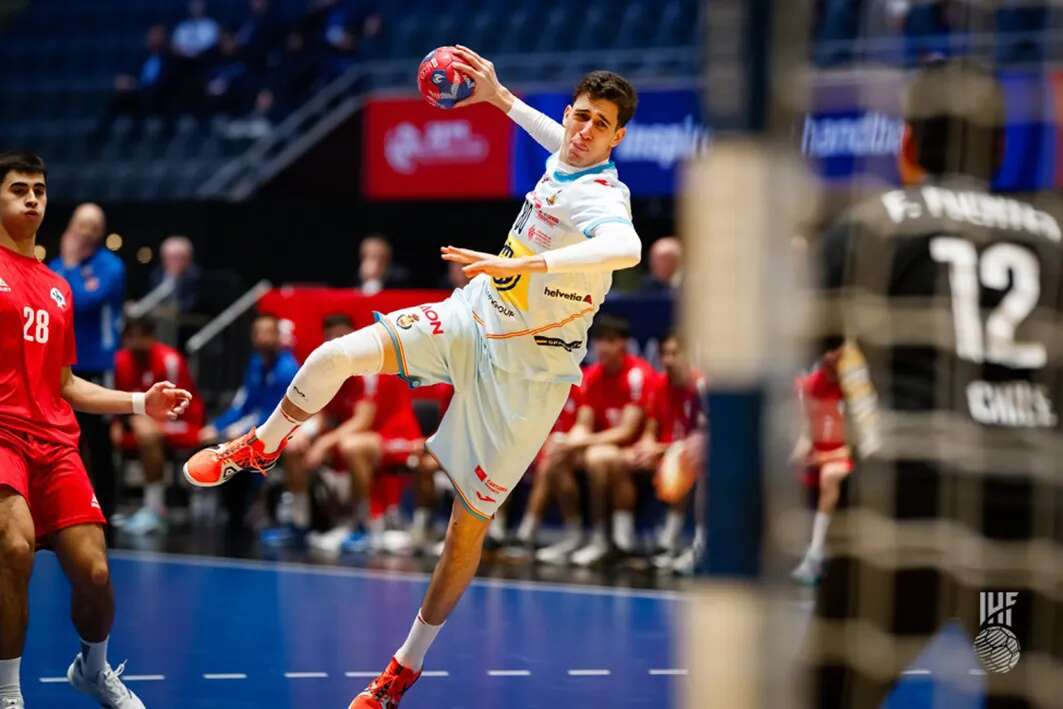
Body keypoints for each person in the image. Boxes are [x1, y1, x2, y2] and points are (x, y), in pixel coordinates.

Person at [184, 46, 641, 708]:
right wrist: (500, 96)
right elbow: (560, 144)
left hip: (528, 374)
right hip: (472, 317)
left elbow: (623, 247)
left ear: (618, 136)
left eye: (598, 123)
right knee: (336, 353)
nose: (579, 129)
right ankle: (263, 443)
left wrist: (524, 268)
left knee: (465, 528)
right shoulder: (568, 158)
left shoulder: (604, 197)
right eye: (577, 115)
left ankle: (403, 667)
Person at [806, 60, 1063, 708]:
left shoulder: (878, 221)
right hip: (1020, 513)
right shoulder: (1051, 236)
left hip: (906, 502)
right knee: (1012, 677)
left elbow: (812, 343)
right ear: (999, 148)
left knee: (834, 691)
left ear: (906, 143)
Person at [0, 151, 191, 709]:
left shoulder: (57, 288)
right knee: (12, 549)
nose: (33, 198)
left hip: (55, 443)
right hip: (3, 438)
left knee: (95, 571)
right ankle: (8, 692)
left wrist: (140, 402)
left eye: (39, 189)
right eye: (18, 189)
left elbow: (66, 384)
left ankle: (92, 668)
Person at [540, 315, 656, 567]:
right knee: (556, 456)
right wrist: (567, 441)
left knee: (597, 458)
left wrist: (580, 443)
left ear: (624, 344)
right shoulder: (591, 375)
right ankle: (575, 535)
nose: (603, 347)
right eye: (600, 340)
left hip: (630, 449)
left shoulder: (638, 374)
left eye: (610, 341)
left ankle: (605, 538)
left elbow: (626, 432)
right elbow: (584, 422)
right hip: (599, 445)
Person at [49, 203, 125, 521]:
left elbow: (77, 301)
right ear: (70, 227)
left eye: (94, 226)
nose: (87, 232)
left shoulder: (110, 266)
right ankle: (65, 507)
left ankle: (106, 509)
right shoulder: (56, 265)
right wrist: (66, 264)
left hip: (96, 362)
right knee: (64, 437)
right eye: (82, 225)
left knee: (98, 441)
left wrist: (69, 262)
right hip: (61, 362)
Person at [111, 317, 204, 536]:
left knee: (149, 434)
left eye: (142, 336)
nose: (137, 343)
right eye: (131, 337)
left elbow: (179, 402)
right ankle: (103, 505)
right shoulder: (119, 362)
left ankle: (155, 509)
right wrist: (119, 422)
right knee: (96, 434)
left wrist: (146, 421)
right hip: (136, 419)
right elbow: (116, 399)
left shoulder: (170, 360)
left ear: (151, 338)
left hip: (180, 421)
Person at [631, 331, 706, 567]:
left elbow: (704, 439)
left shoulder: (700, 387)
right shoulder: (658, 384)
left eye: (674, 353)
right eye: (664, 354)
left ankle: (695, 545)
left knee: (689, 462)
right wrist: (645, 446)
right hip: (667, 453)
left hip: (692, 456)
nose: (668, 360)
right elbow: (649, 430)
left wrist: (665, 450)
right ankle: (619, 541)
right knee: (611, 460)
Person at [789, 347, 852, 585]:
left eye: (834, 351)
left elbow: (859, 447)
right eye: (826, 350)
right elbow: (807, 433)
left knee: (829, 475)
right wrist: (798, 452)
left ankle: (815, 555)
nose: (828, 356)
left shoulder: (856, 389)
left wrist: (824, 459)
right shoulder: (810, 386)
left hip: (846, 459)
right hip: (821, 456)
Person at [197, 312, 299, 446]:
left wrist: (241, 428)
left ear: (278, 336)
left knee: (232, 439)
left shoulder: (287, 368)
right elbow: (243, 404)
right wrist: (217, 426)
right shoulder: (255, 363)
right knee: (206, 435)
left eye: (268, 332)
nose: (262, 337)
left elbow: (273, 411)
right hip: (255, 422)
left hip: (282, 425)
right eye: (257, 332)